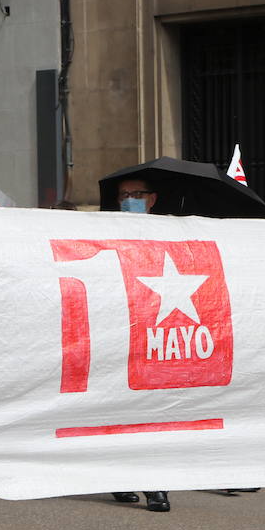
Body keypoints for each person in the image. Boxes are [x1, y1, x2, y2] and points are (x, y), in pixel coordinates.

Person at [109, 176, 172, 512]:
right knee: (124, 411)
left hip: (159, 334)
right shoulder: (108, 232)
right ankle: (121, 477)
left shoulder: (167, 233)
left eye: (137, 194)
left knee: (154, 413)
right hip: (122, 333)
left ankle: (156, 483)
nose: (130, 199)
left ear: (152, 199)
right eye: (124, 195)